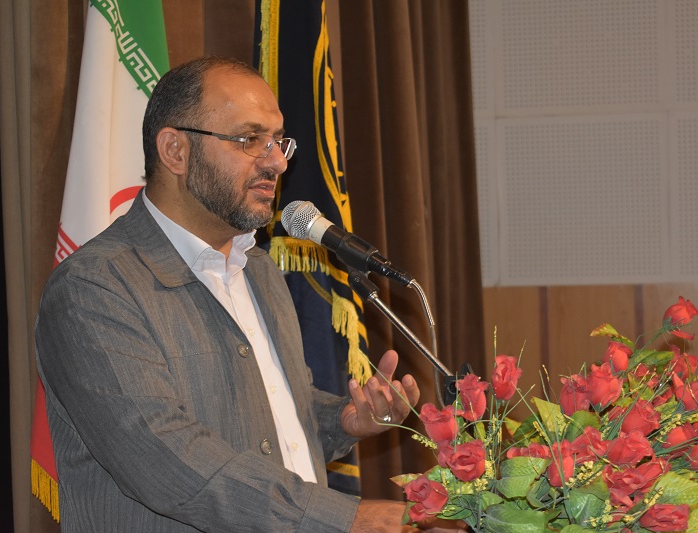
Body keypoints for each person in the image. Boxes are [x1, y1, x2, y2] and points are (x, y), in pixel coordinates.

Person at [35, 56, 452, 532]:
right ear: (175, 151)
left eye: (278, 141)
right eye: (250, 139)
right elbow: (168, 459)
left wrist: (342, 420)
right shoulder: (94, 289)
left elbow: (266, 418)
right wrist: (349, 518)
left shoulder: (257, 269)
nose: (277, 162)